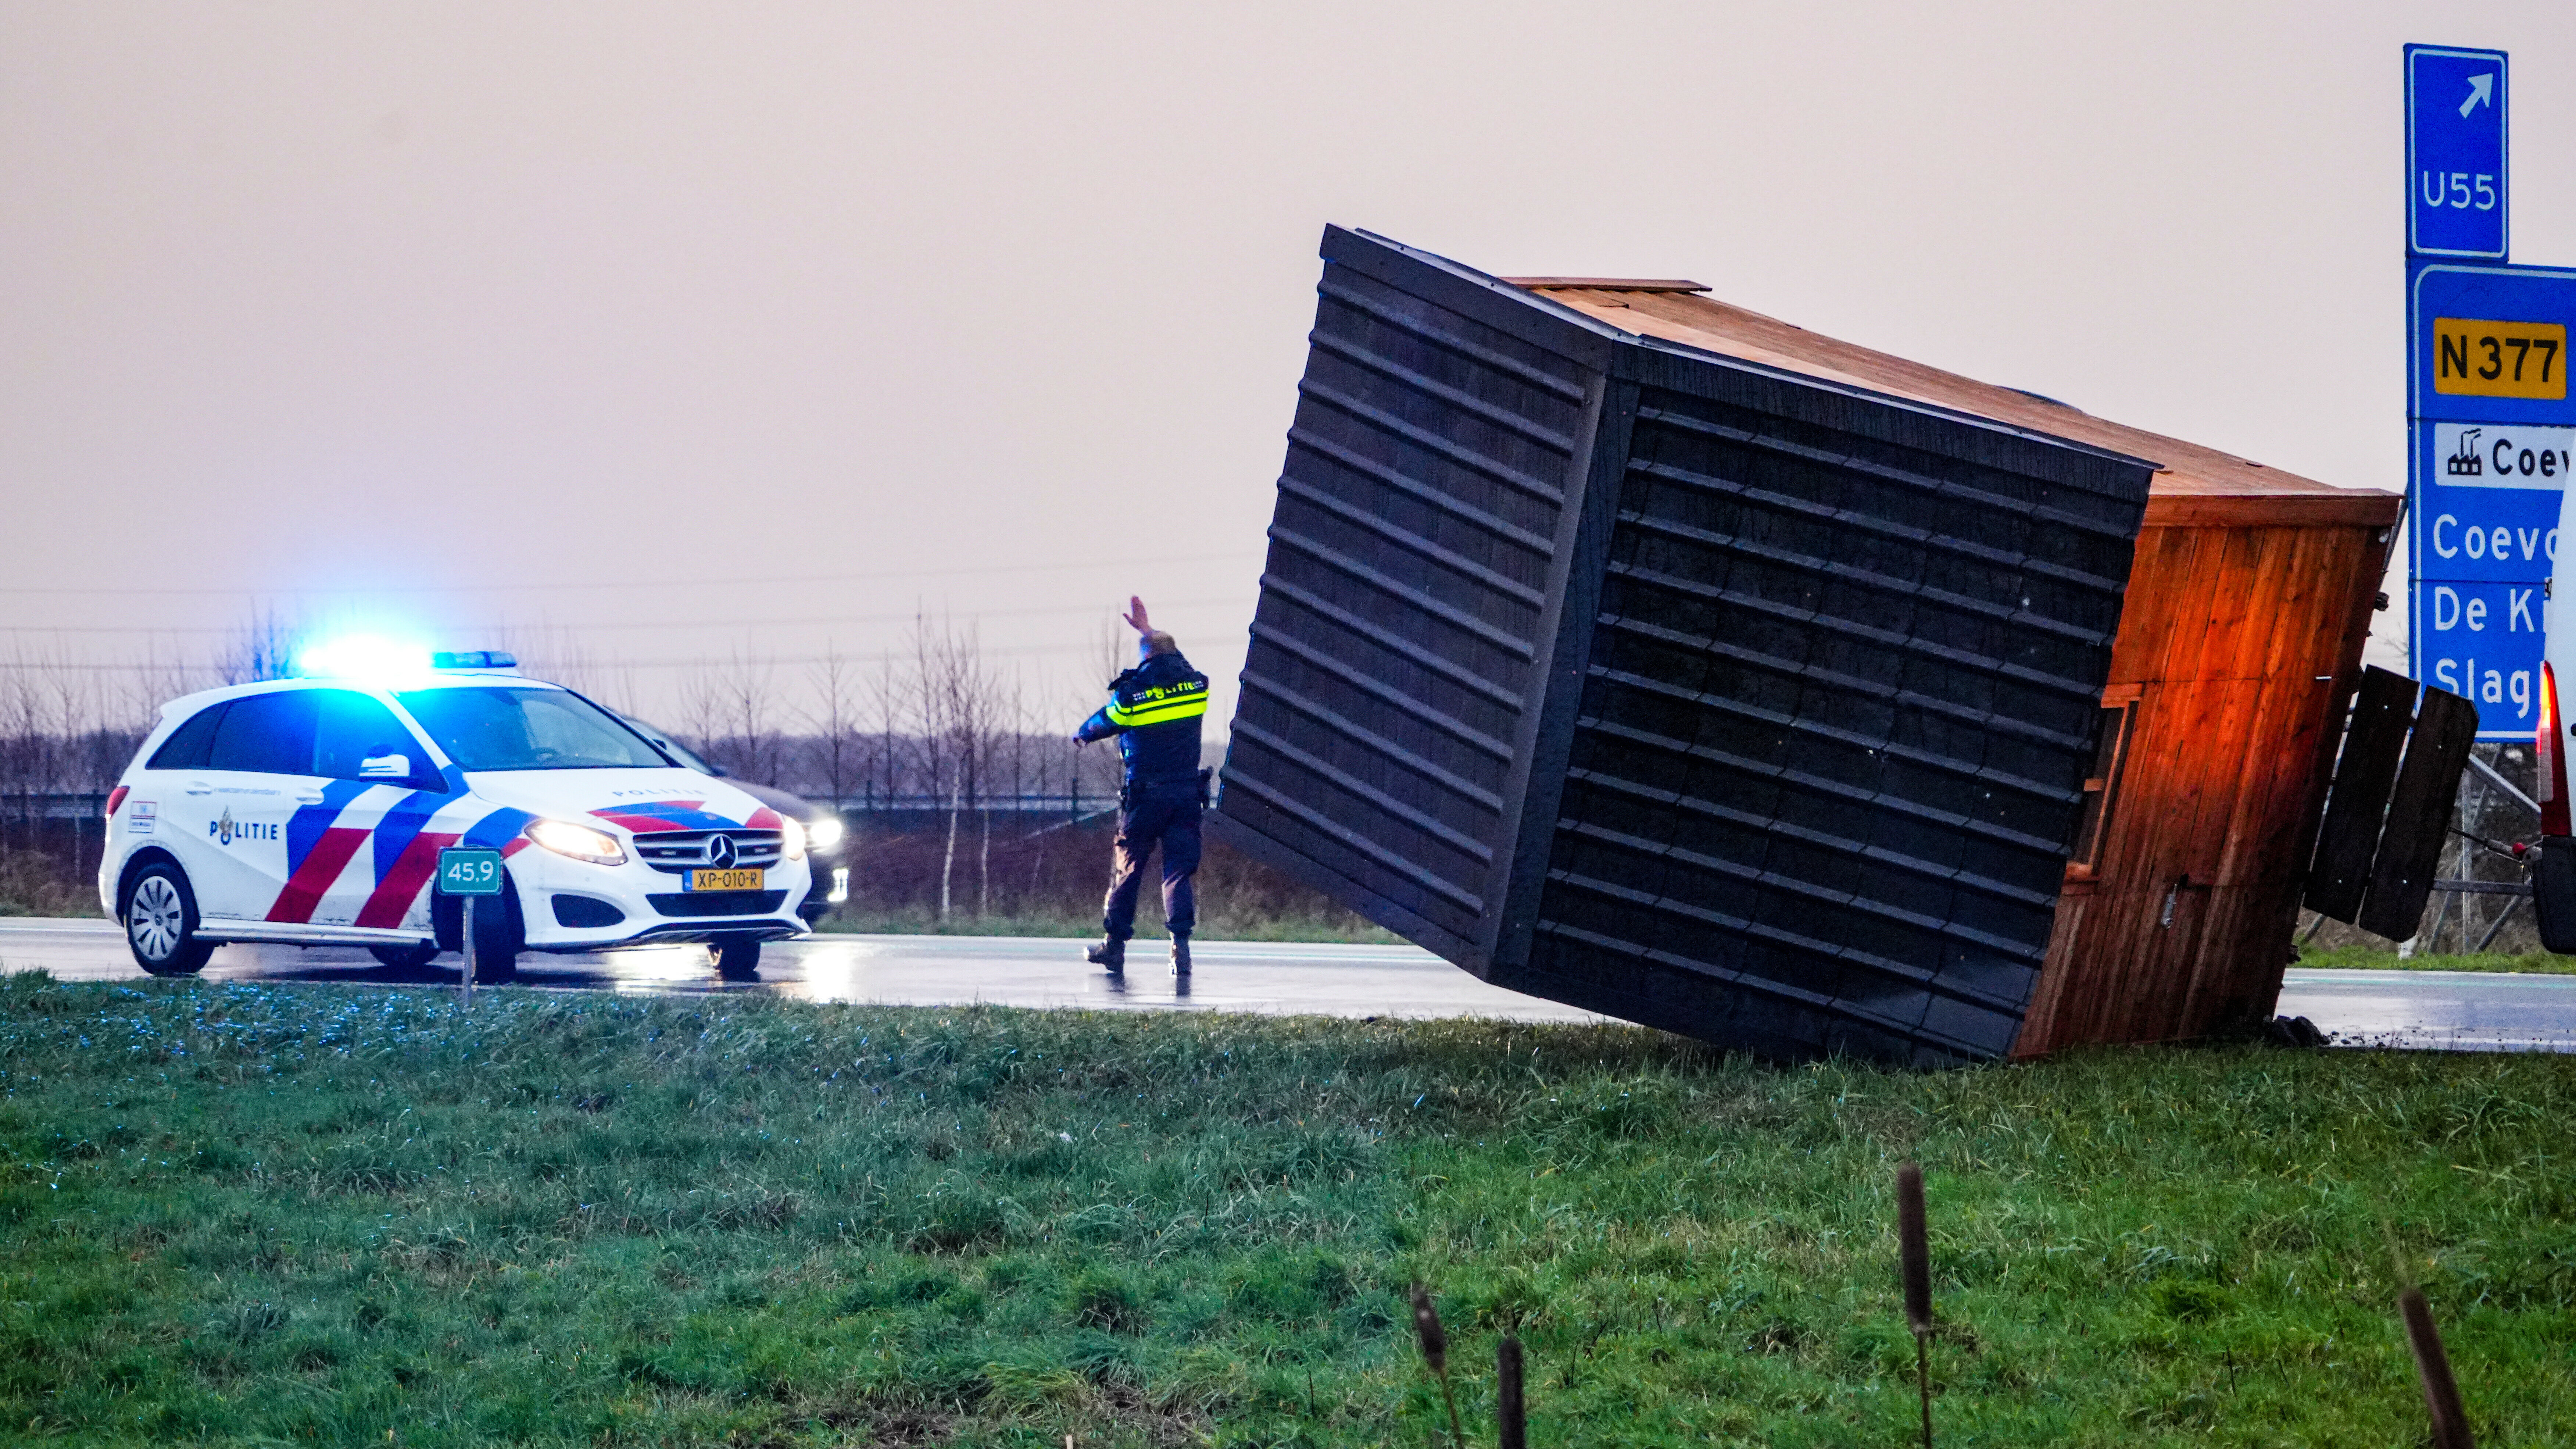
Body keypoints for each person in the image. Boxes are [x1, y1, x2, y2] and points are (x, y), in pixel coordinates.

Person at [1072, 597, 1211, 974]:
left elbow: (1107, 720)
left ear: (1144, 659)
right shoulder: (1197, 687)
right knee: (1178, 873)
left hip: (1144, 798)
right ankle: (1180, 949)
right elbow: (1174, 660)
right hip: (1185, 796)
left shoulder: (1132, 696)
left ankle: (1114, 946)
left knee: (1128, 872)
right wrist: (1150, 633)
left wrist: (1082, 734)